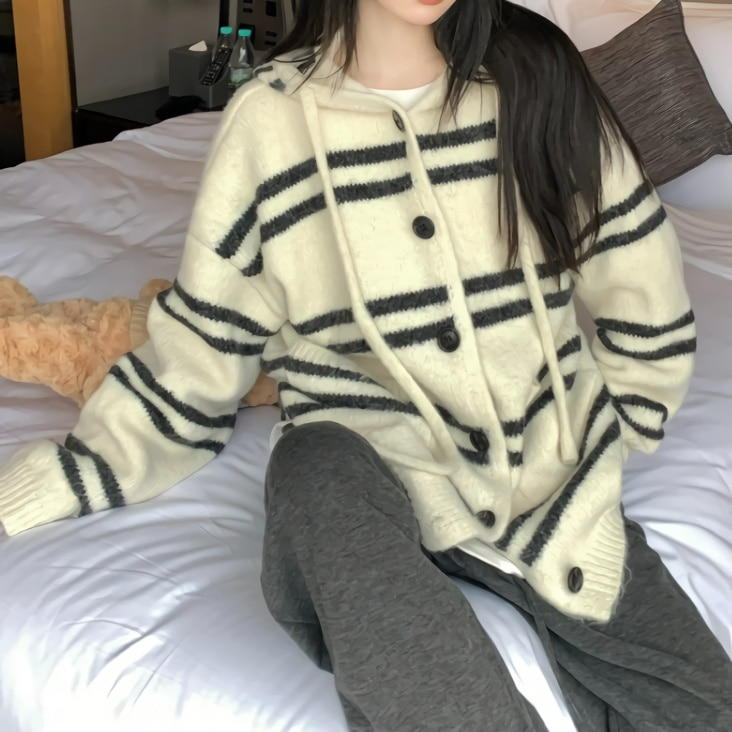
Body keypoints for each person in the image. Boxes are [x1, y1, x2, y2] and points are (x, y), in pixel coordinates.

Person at [1, 0, 731, 728]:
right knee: (312, 466)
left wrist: (622, 421)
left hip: (549, 477)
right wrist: (74, 475)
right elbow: (203, 340)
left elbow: (640, 277)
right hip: (364, 465)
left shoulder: (539, 81)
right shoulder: (271, 120)